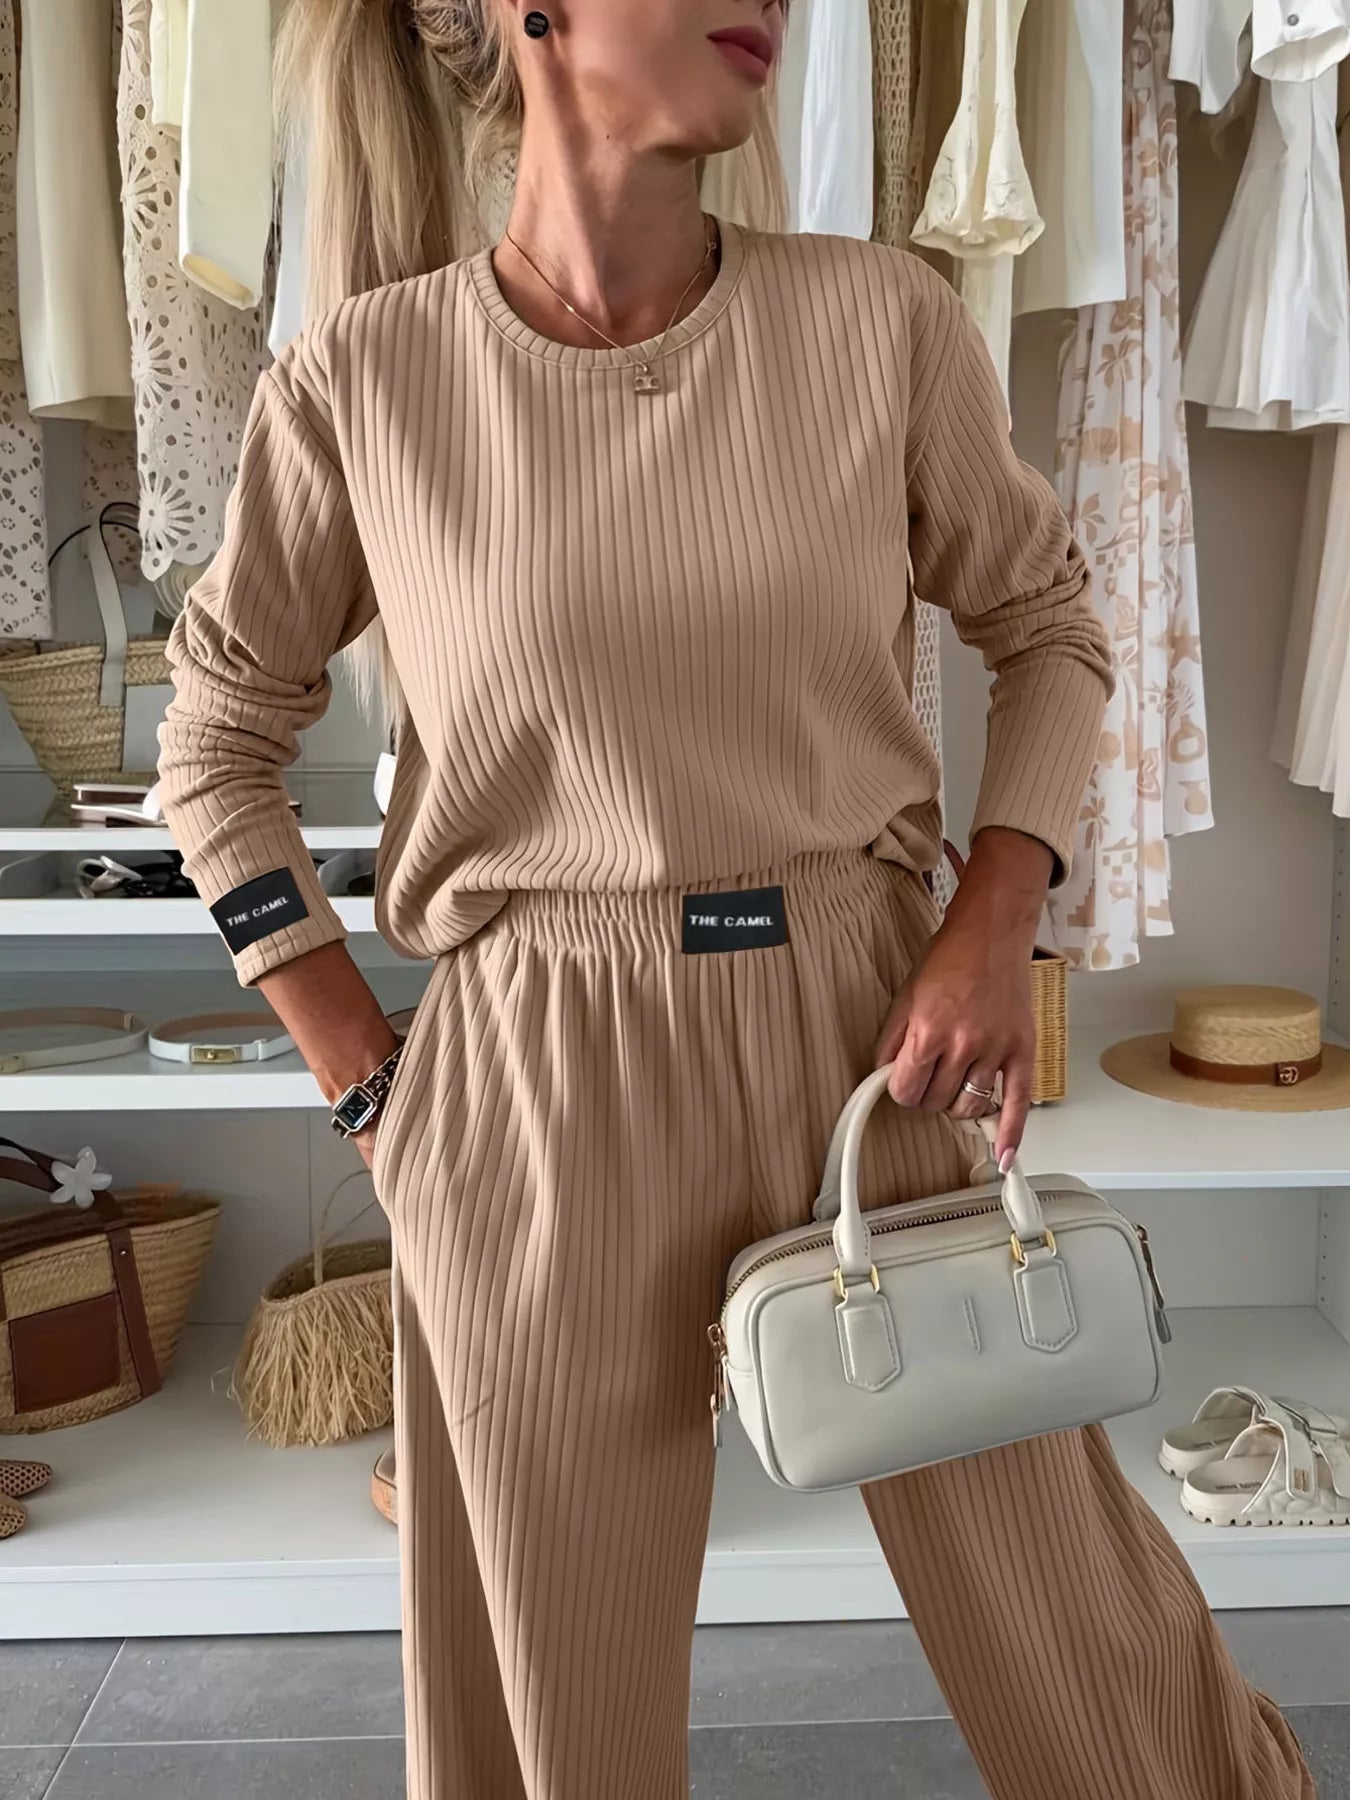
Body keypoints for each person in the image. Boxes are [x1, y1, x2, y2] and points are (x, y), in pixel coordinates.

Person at [156, 3, 1315, 1796]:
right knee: (549, 1693)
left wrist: (991, 915)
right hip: (530, 1070)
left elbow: (1052, 625)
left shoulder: (877, 320)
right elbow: (213, 746)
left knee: (1072, 1622)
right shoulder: (365, 381)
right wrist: (372, 1086)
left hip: (870, 1033)